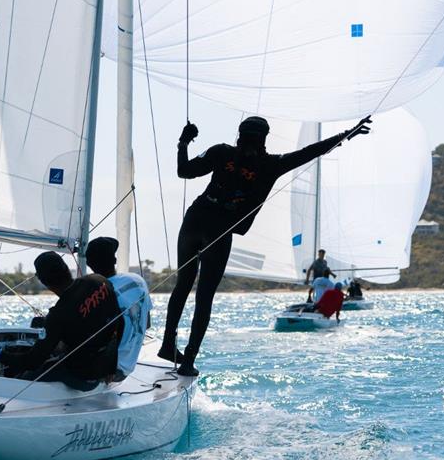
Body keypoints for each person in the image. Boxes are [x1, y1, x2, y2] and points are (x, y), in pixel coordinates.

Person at [159, 115, 372, 376]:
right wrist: (347, 134)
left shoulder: (221, 152)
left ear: (239, 134)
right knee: (204, 296)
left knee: (183, 284)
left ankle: (168, 344)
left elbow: (184, 171)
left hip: (195, 219)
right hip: (219, 229)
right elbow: (310, 152)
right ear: (264, 139)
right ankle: (189, 360)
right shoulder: (270, 164)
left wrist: (183, 142)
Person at [0, 252, 121, 391]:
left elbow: (32, 361)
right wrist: (112, 365)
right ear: (66, 268)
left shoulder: (58, 315)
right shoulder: (99, 281)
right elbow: (119, 320)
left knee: (25, 378)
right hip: (106, 368)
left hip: (86, 378)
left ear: (43, 281)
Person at [85, 237, 153, 381]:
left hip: (110, 372)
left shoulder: (96, 294)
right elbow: (147, 324)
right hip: (128, 366)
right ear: (115, 260)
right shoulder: (137, 280)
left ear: (89, 264)